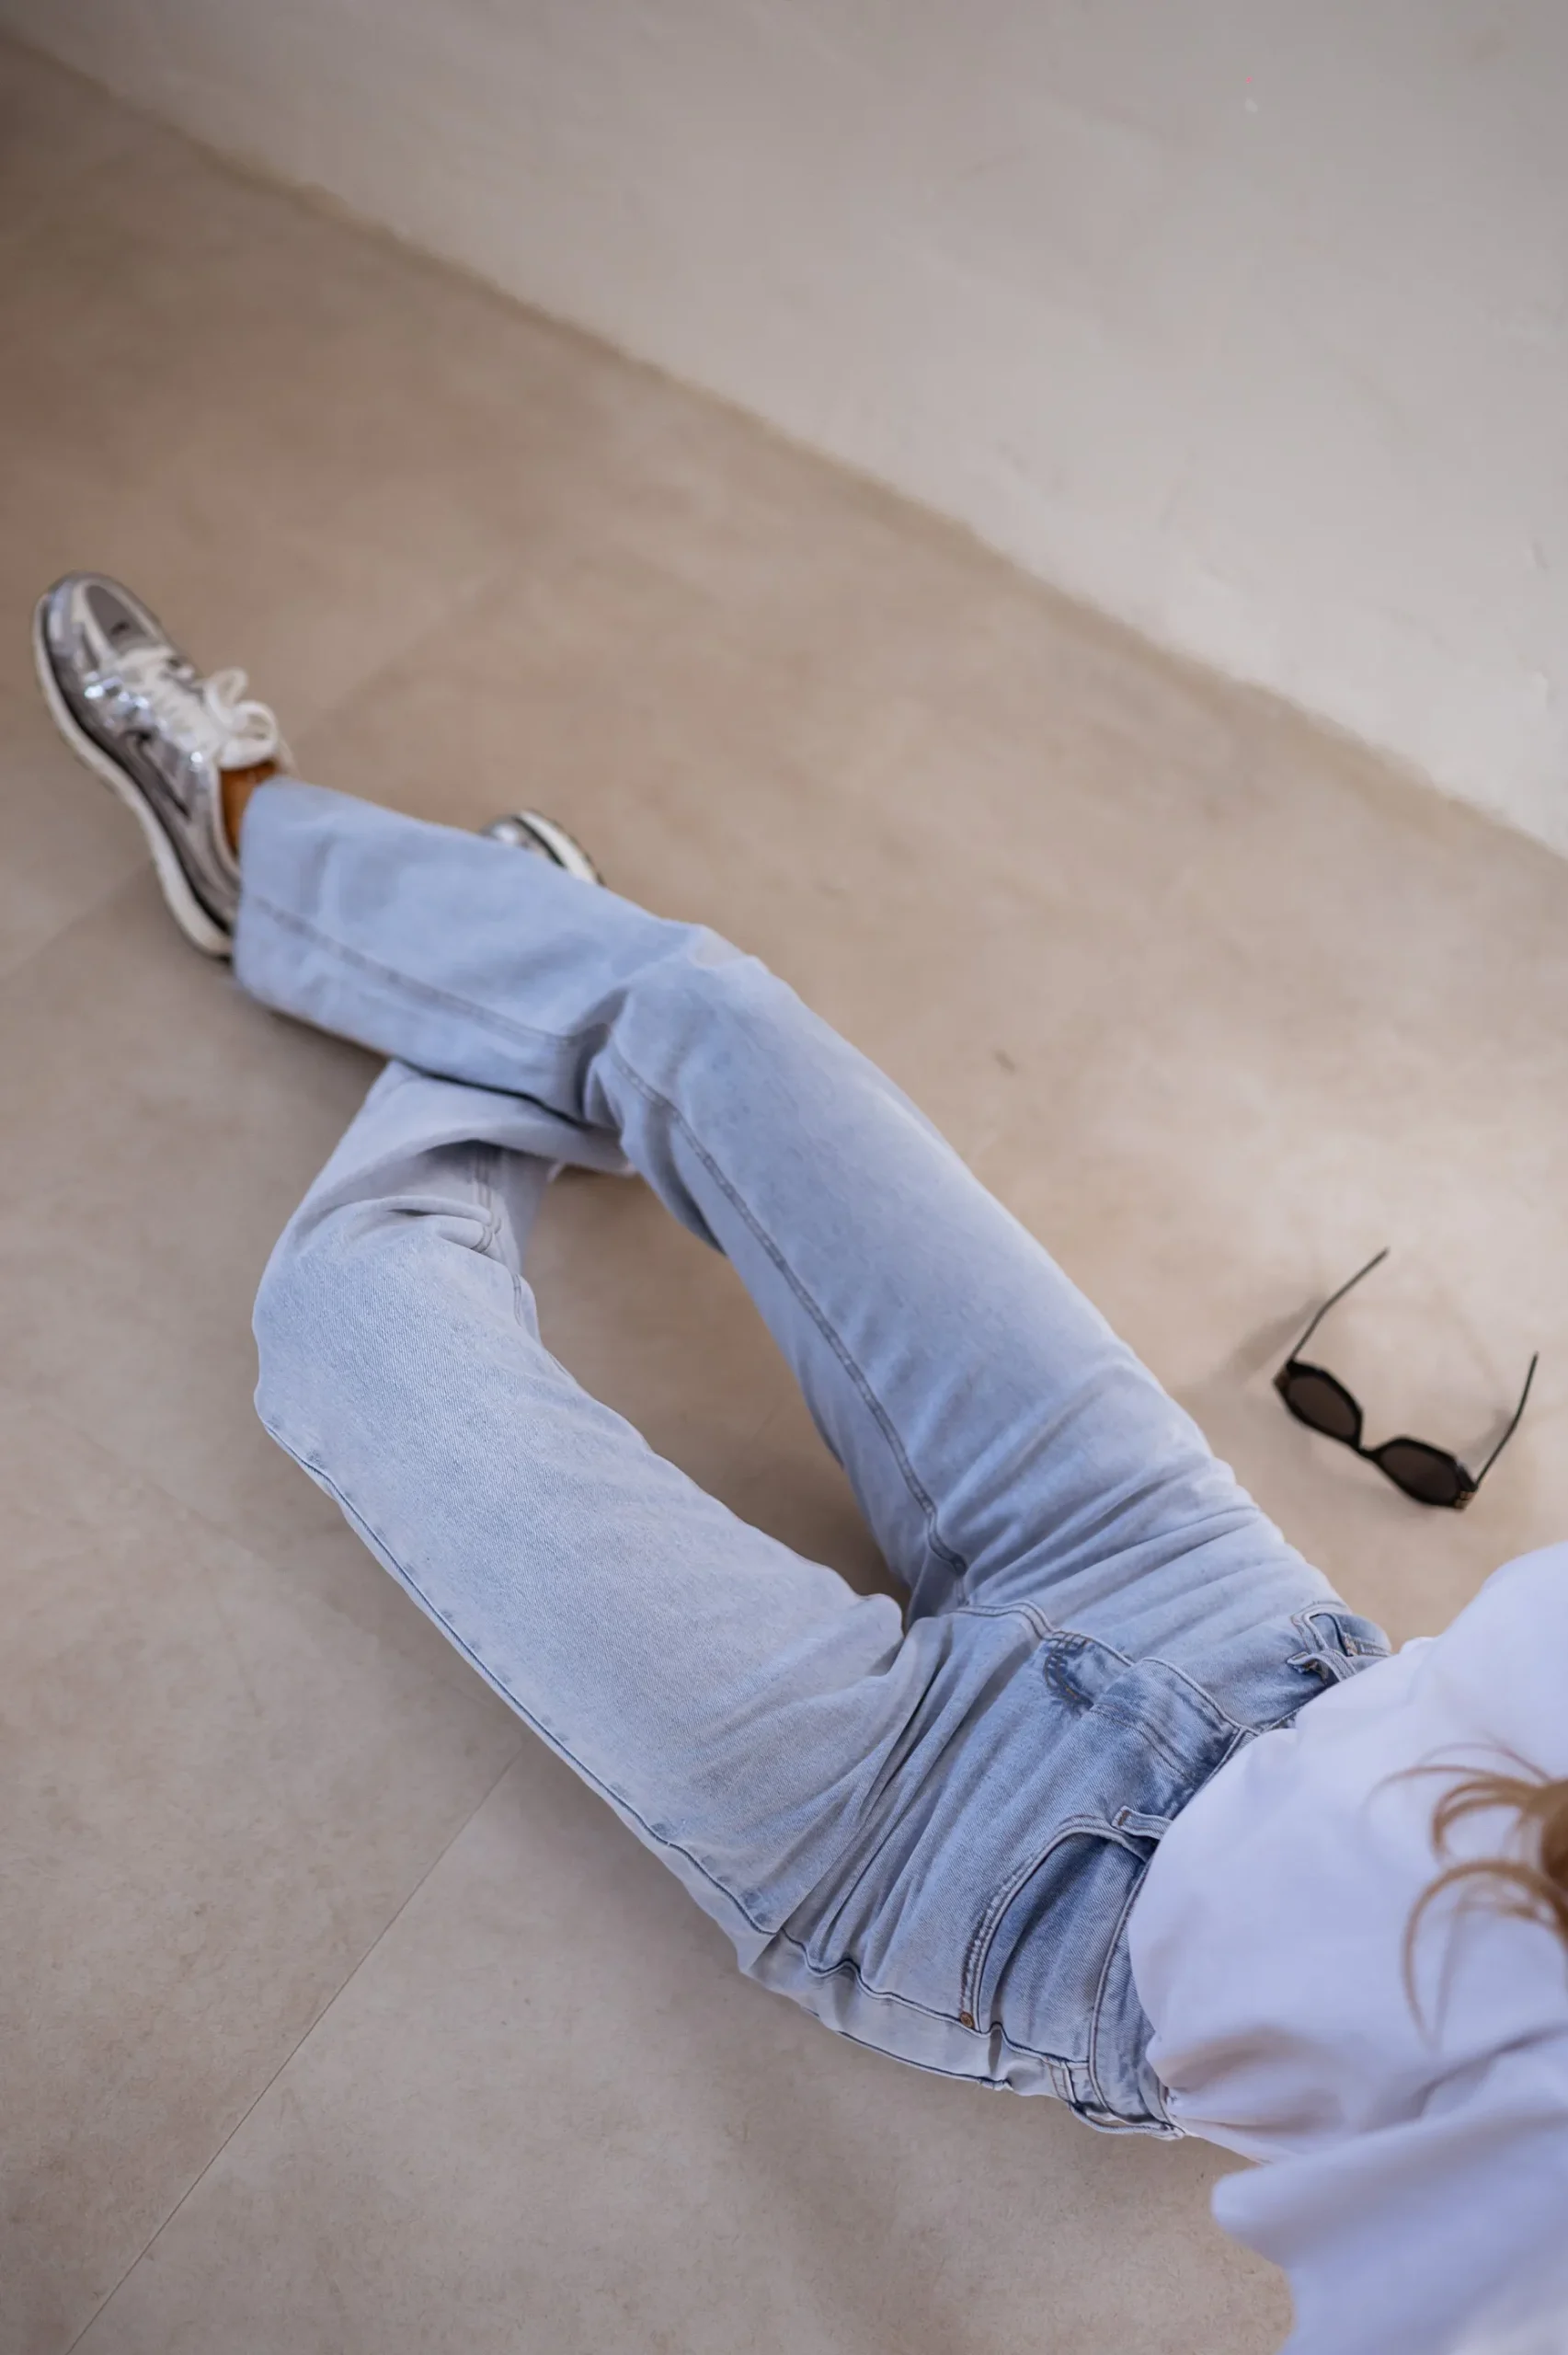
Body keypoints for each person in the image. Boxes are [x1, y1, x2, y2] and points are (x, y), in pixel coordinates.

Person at [34, 572, 1568, 2355]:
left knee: (349, 1322)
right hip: (1235, 1620)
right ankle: (275, 856)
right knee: (710, 1011)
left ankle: (496, 973)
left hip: (990, 1883)